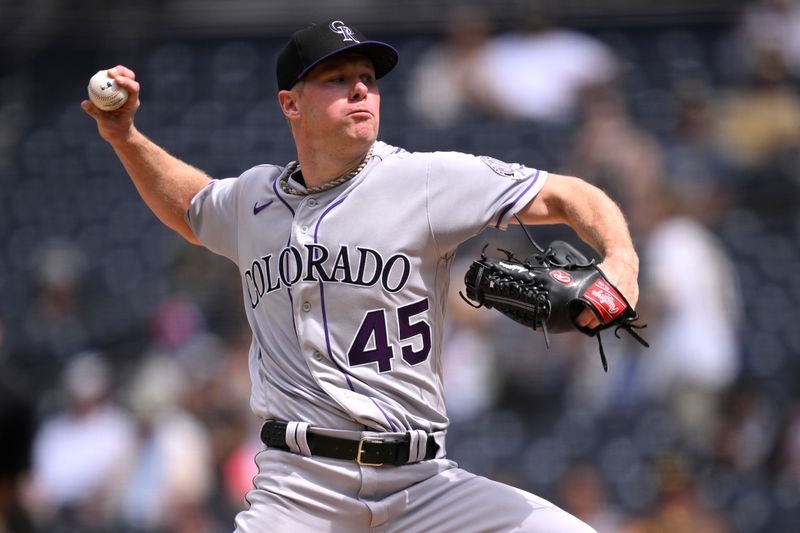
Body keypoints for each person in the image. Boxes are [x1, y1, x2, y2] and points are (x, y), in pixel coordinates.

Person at [82, 19, 641, 533]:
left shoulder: (423, 181)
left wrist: (621, 261)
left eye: (368, 79)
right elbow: (189, 205)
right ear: (290, 104)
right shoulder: (252, 199)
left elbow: (569, 194)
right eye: (337, 78)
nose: (360, 90)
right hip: (301, 491)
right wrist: (125, 138)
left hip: (424, 488)